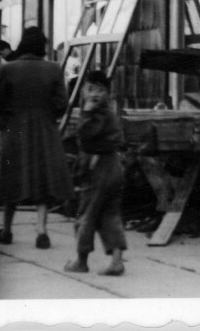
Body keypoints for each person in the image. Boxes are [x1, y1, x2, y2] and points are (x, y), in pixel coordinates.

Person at [0, 26, 71, 248]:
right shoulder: (54, 69)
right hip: (45, 131)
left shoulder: (7, 69)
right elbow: (61, 104)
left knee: (11, 179)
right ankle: (41, 230)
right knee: (43, 179)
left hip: (15, 130)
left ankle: (7, 230)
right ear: (42, 47)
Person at [63, 70, 127, 276]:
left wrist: (88, 112)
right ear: (82, 90)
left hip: (99, 169)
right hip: (114, 167)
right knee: (110, 215)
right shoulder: (110, 112)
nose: (95, 94)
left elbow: (85, 134)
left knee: (85, 215)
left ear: (108, 93)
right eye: (90, 89)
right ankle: (117, 261)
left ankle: (81, 261)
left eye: (100, 90)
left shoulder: (98, 114)